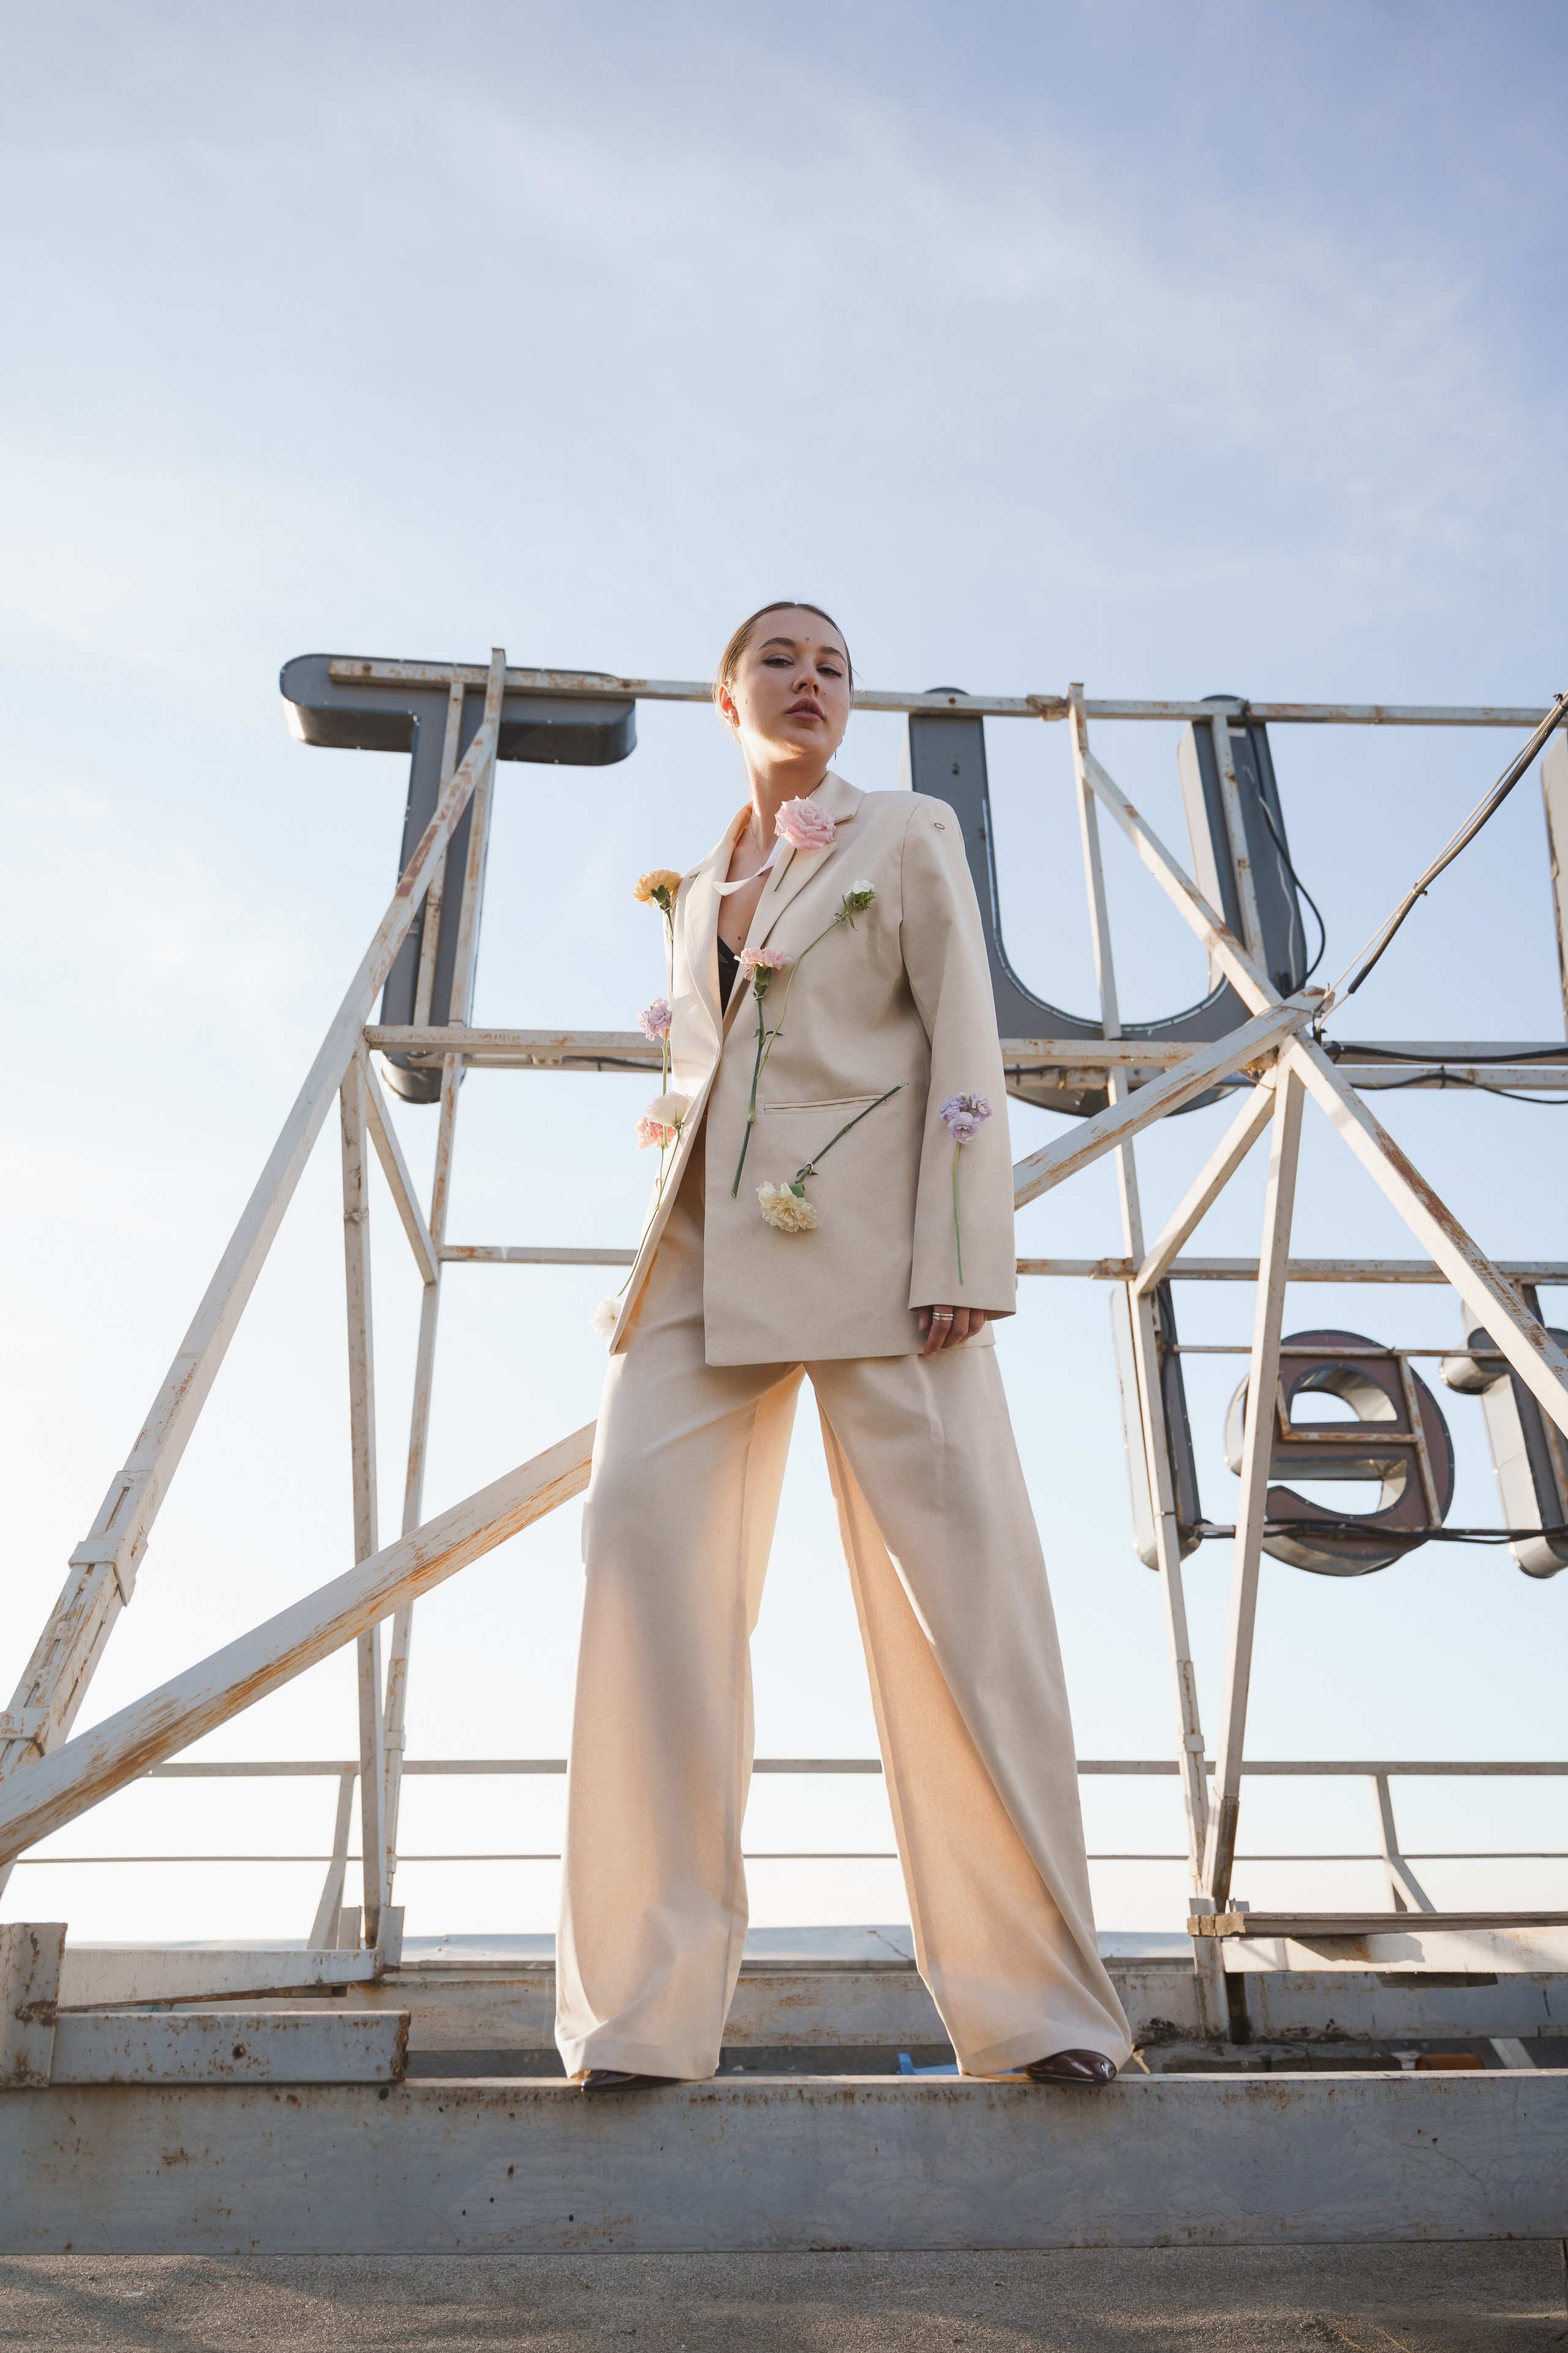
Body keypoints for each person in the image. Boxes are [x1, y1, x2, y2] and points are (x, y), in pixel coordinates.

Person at [556, 600, 1132, 2092]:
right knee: (639, 1568)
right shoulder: (688, 889)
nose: (810, 683)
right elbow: (704, 1081)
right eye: (780, 661)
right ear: (724, 696)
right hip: (695, 1260)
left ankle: (1040, 2010)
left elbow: (961, 1036)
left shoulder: (902, 831)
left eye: (832, 667)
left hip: (881, 1253)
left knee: (962, 1607)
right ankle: (637, 2014)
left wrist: (961, 1254)